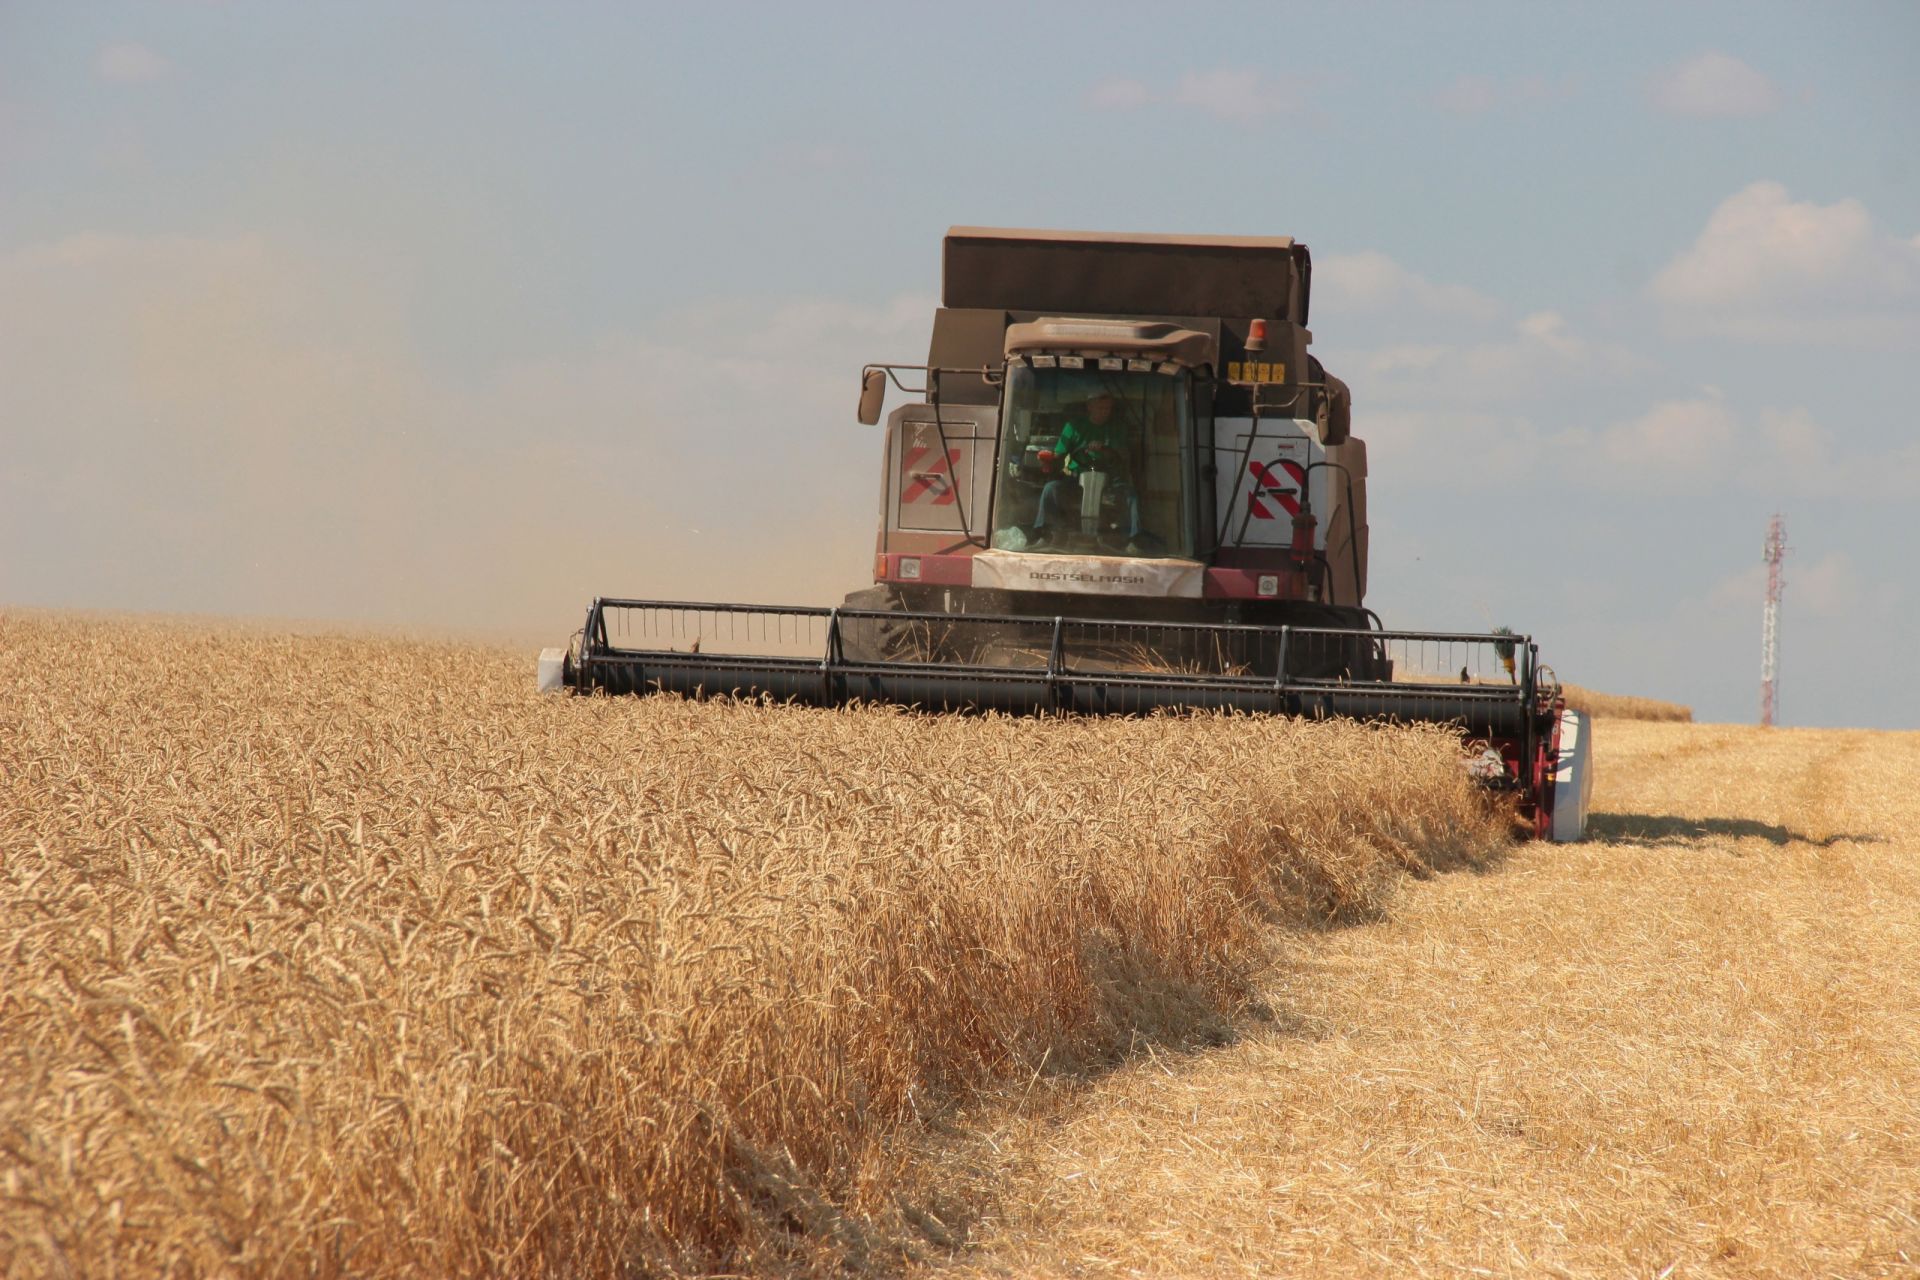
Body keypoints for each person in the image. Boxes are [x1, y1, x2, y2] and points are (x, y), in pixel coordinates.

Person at [1031, 391, 1143, 548]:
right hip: (1076, 482)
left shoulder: (1118, 427)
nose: (1104, 411)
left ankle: (1133, 541)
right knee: (1050, 489)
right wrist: (1049, 459)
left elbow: (1123, 455)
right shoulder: (1073, 426)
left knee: (1130, 496)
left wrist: (1107, 450)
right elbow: (1059, 454)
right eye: (1100, 407)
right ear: (1089, 406)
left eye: (1107, 408)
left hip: (1109, 483)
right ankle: (1047, 535)